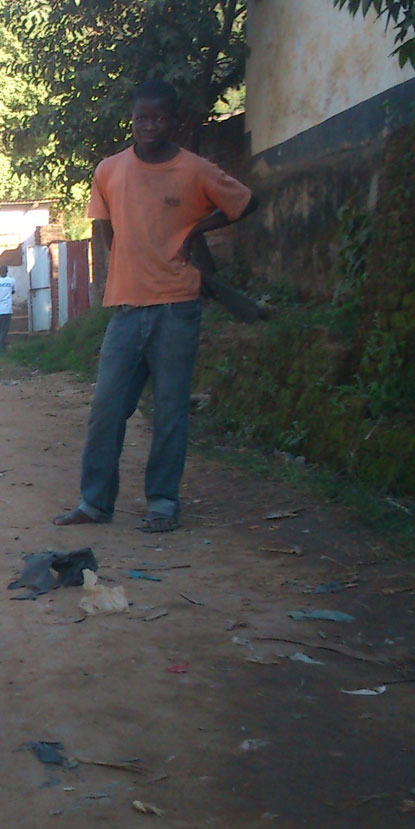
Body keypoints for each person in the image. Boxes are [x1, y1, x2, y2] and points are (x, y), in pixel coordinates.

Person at [54, 80, 255, 534]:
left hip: (177, 307)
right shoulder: (108, 170)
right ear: (133, 119)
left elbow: (245, 201)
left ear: (174, 121)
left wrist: (196, 229)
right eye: (141, 118)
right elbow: (109, 234)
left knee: (169, 411)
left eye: (159, 118)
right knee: (107, 409)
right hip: (126, 308)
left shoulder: (195, 170)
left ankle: (162, 502)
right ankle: (94, 502)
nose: (149, 126)